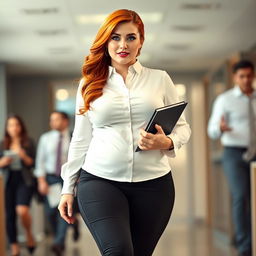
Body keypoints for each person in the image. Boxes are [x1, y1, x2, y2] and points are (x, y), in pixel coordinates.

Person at [58, 9, 191, 256]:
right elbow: (80, 139)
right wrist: (68, 188)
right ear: (106, 41)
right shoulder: (89, 83)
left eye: (131, 37)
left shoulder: (160, 79)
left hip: (154, 185)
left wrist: (167, 141)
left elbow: (183, 128)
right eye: (115, 37)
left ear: (141, 42)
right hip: (99, 180)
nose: (123, 45)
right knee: (118, 250)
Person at [208, 60, 255, 256]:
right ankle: (244, 247)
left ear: (253, 76)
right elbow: (211, 130)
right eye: (241, 76)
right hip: (234, 153)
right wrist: (220, 128)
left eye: (249, 76)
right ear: (235, 77)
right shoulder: (225, 100)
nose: (245, 80)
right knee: (241, 197)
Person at [34, 111, 79, 256]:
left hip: (67, 178)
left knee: (65, 210)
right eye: (51, 120)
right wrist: (41, 181)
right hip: (51, 179)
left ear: (65, 121)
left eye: (57, 119)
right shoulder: (45, 138)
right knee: (50, 212)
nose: (53, 123)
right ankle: (62, 235)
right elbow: (39, 161)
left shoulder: (74, 137)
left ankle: (59, 242)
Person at [0, 114, 36, 256]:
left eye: (16, 124)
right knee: (9, 214)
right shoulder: (3, 144)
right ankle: (14, 245)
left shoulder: (28, 142)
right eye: (10, 125)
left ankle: (28, 233)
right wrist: (2, 162)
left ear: (21, 127)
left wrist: (23, 155)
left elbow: (33, 163)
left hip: (24, 180)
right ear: (7, 128)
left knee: (22, 211)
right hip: (8, 181)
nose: (14, 128)